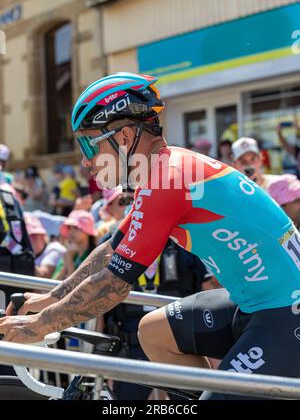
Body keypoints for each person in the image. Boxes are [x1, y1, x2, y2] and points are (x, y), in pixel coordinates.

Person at [2, 72, 300, 401]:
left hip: (286, 312)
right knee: (155, 332)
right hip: (256, 302)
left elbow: (115, 283)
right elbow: (110, 250)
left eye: (89, 143)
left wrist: (38, 326)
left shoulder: (168, 178)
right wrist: (48, 299)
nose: (86, 160)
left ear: (126, 136)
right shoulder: (162, 171)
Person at [52, 210, 96, 280]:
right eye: (69, 228)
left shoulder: (94, 257)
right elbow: (53, 282)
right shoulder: (68, 252)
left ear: (87, 230)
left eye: (76, 228)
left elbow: (73, 285)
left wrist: (69, 258)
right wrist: (67, 260)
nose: (71, 232)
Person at [24, 213, 67, 279]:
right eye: (27, 236)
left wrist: (21, 258)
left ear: (43, 235)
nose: (30, 240)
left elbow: (44, 275)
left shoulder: (54, 248)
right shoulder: (31, 253)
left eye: (34, 235)